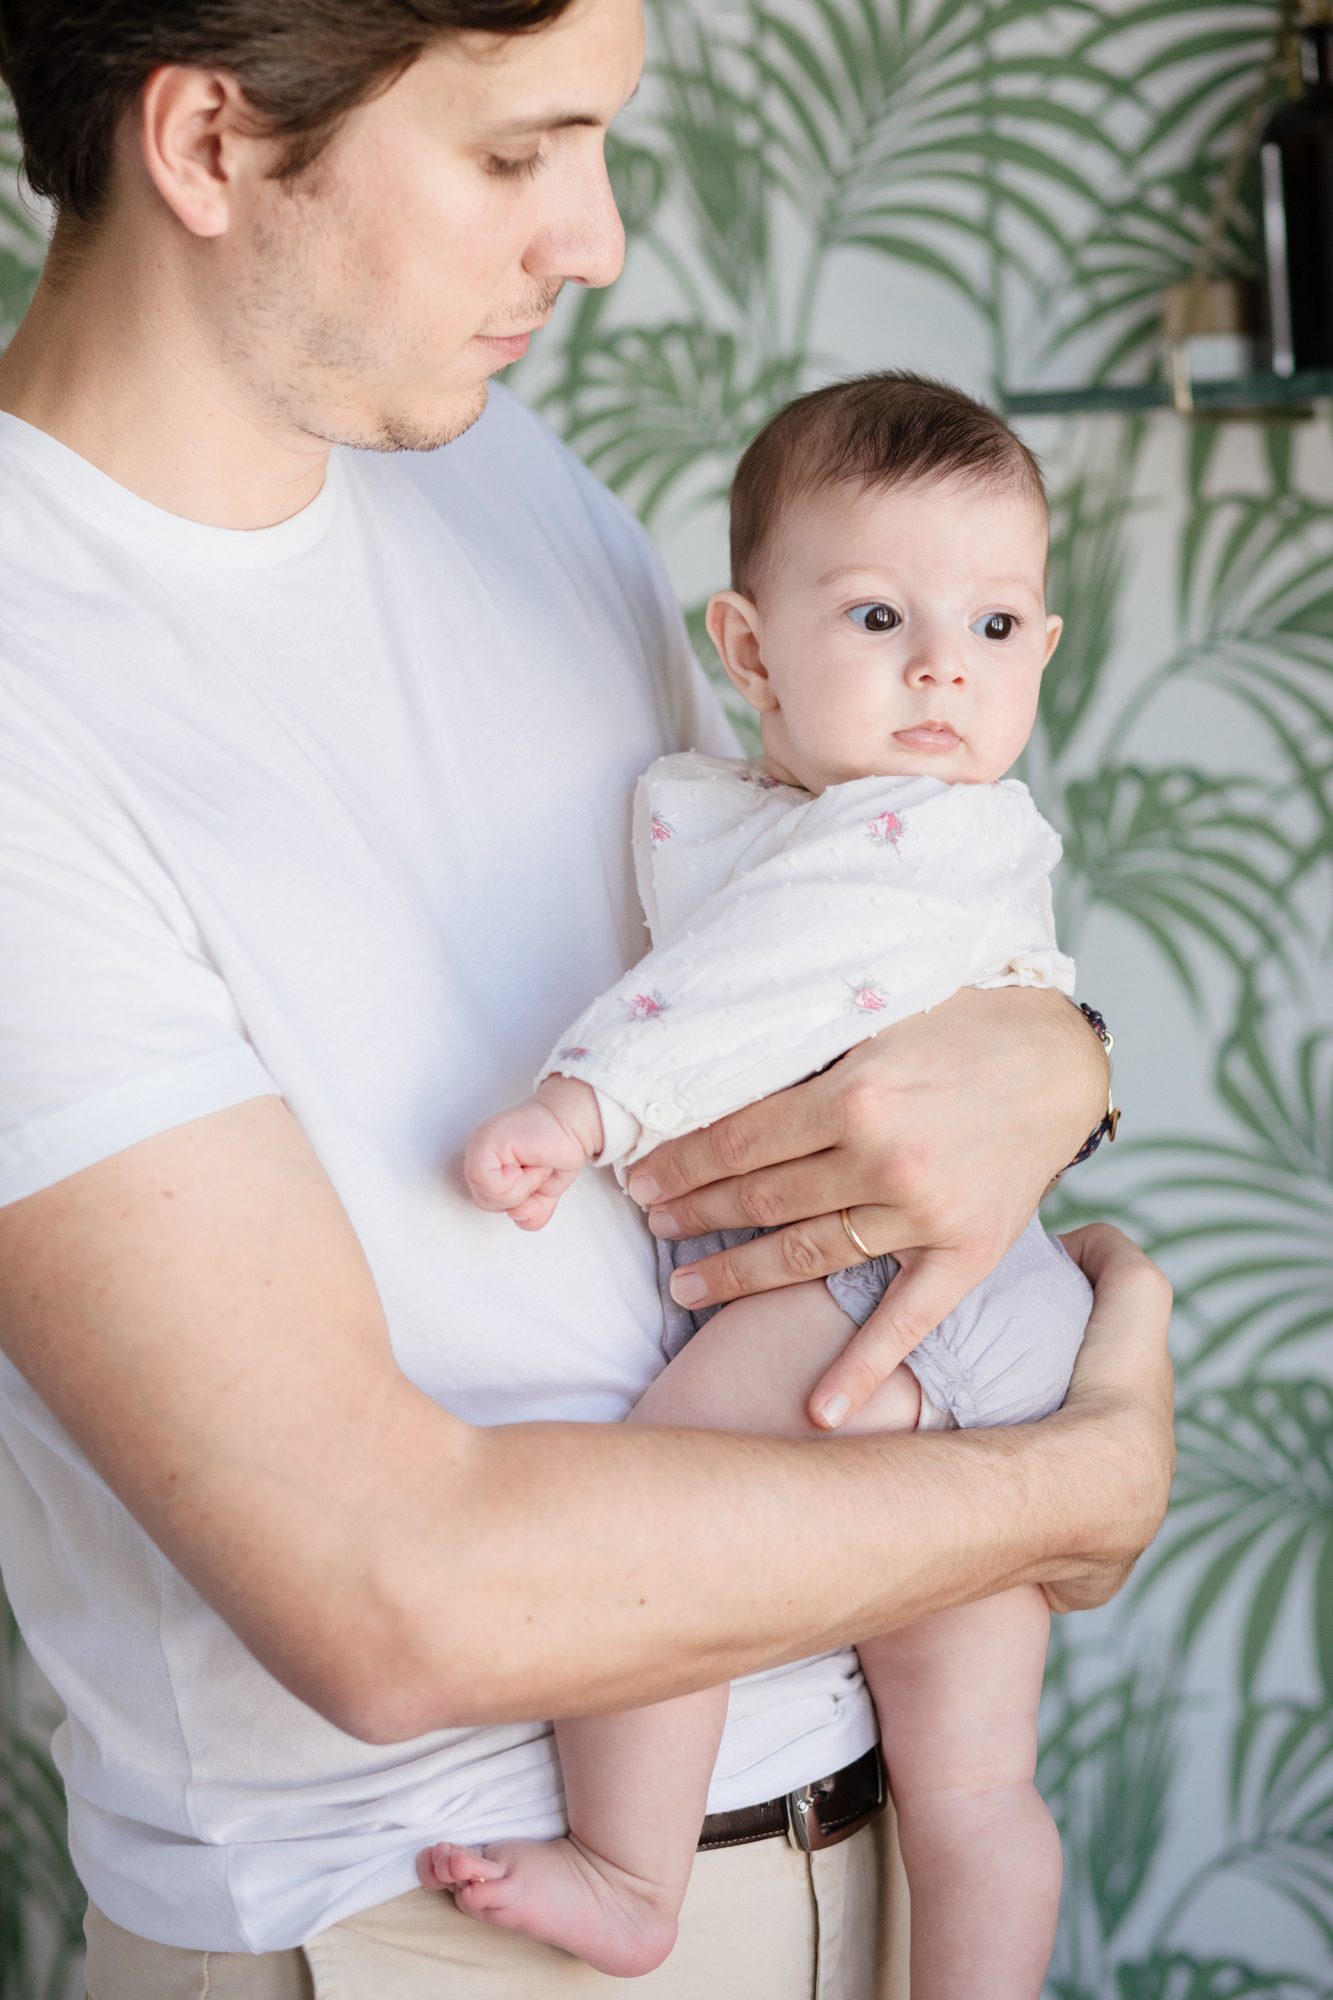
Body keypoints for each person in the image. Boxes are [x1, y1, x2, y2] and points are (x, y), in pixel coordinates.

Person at [0, 2, 1174, 1995]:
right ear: (207, 146)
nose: (597, 238)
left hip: (864, 1845)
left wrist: (1053, 1066)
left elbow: (823, 933)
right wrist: (1064, 1485)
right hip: (421, 1932)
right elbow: (398, 1598)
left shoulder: (501, 486)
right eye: (513, 152)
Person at [421, 374, 1093, 1996]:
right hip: (990, 1297)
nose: (944, 665)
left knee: (655, 1514)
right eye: (878, 615)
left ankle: (626, 1872)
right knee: (973, 1775)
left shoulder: (905, 836)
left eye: (995, 628)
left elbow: (756, 990)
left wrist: (581, 1111)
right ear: (746, 650)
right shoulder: (772, 813)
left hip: (885, 1285)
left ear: (1042, 652)